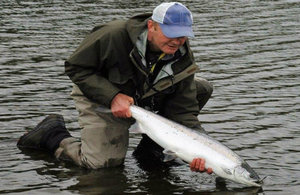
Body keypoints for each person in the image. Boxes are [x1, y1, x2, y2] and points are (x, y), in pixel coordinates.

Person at [17, 2, 213, 174]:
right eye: (171, 34)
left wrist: (201, 150)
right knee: (101, 164)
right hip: (98, 94)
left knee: (201, 88)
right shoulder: (113, 35)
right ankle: (52, 134)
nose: (177, 41)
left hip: (142, 97)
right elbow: (75, 68)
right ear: (151, 26)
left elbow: (184, 110)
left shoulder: (182, 55)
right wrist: (112, 96)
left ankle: (152, 149)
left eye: (182, 36)